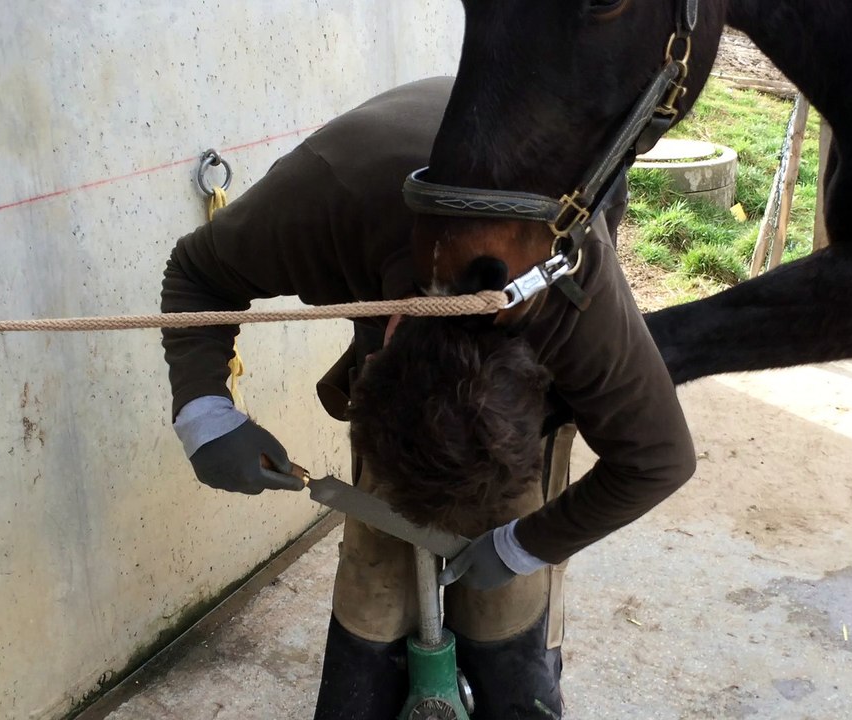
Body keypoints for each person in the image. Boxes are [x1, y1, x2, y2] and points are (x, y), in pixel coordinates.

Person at [160, 77, 695, 720]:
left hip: (544, 216)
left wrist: (522, 545)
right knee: (377, 552)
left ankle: (516, 677)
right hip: (379, 195)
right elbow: (197, 272)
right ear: (381, 348)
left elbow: (659, 460)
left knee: (511, 563)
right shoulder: (319, 206)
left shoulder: (577, 303)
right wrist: (206, 416)